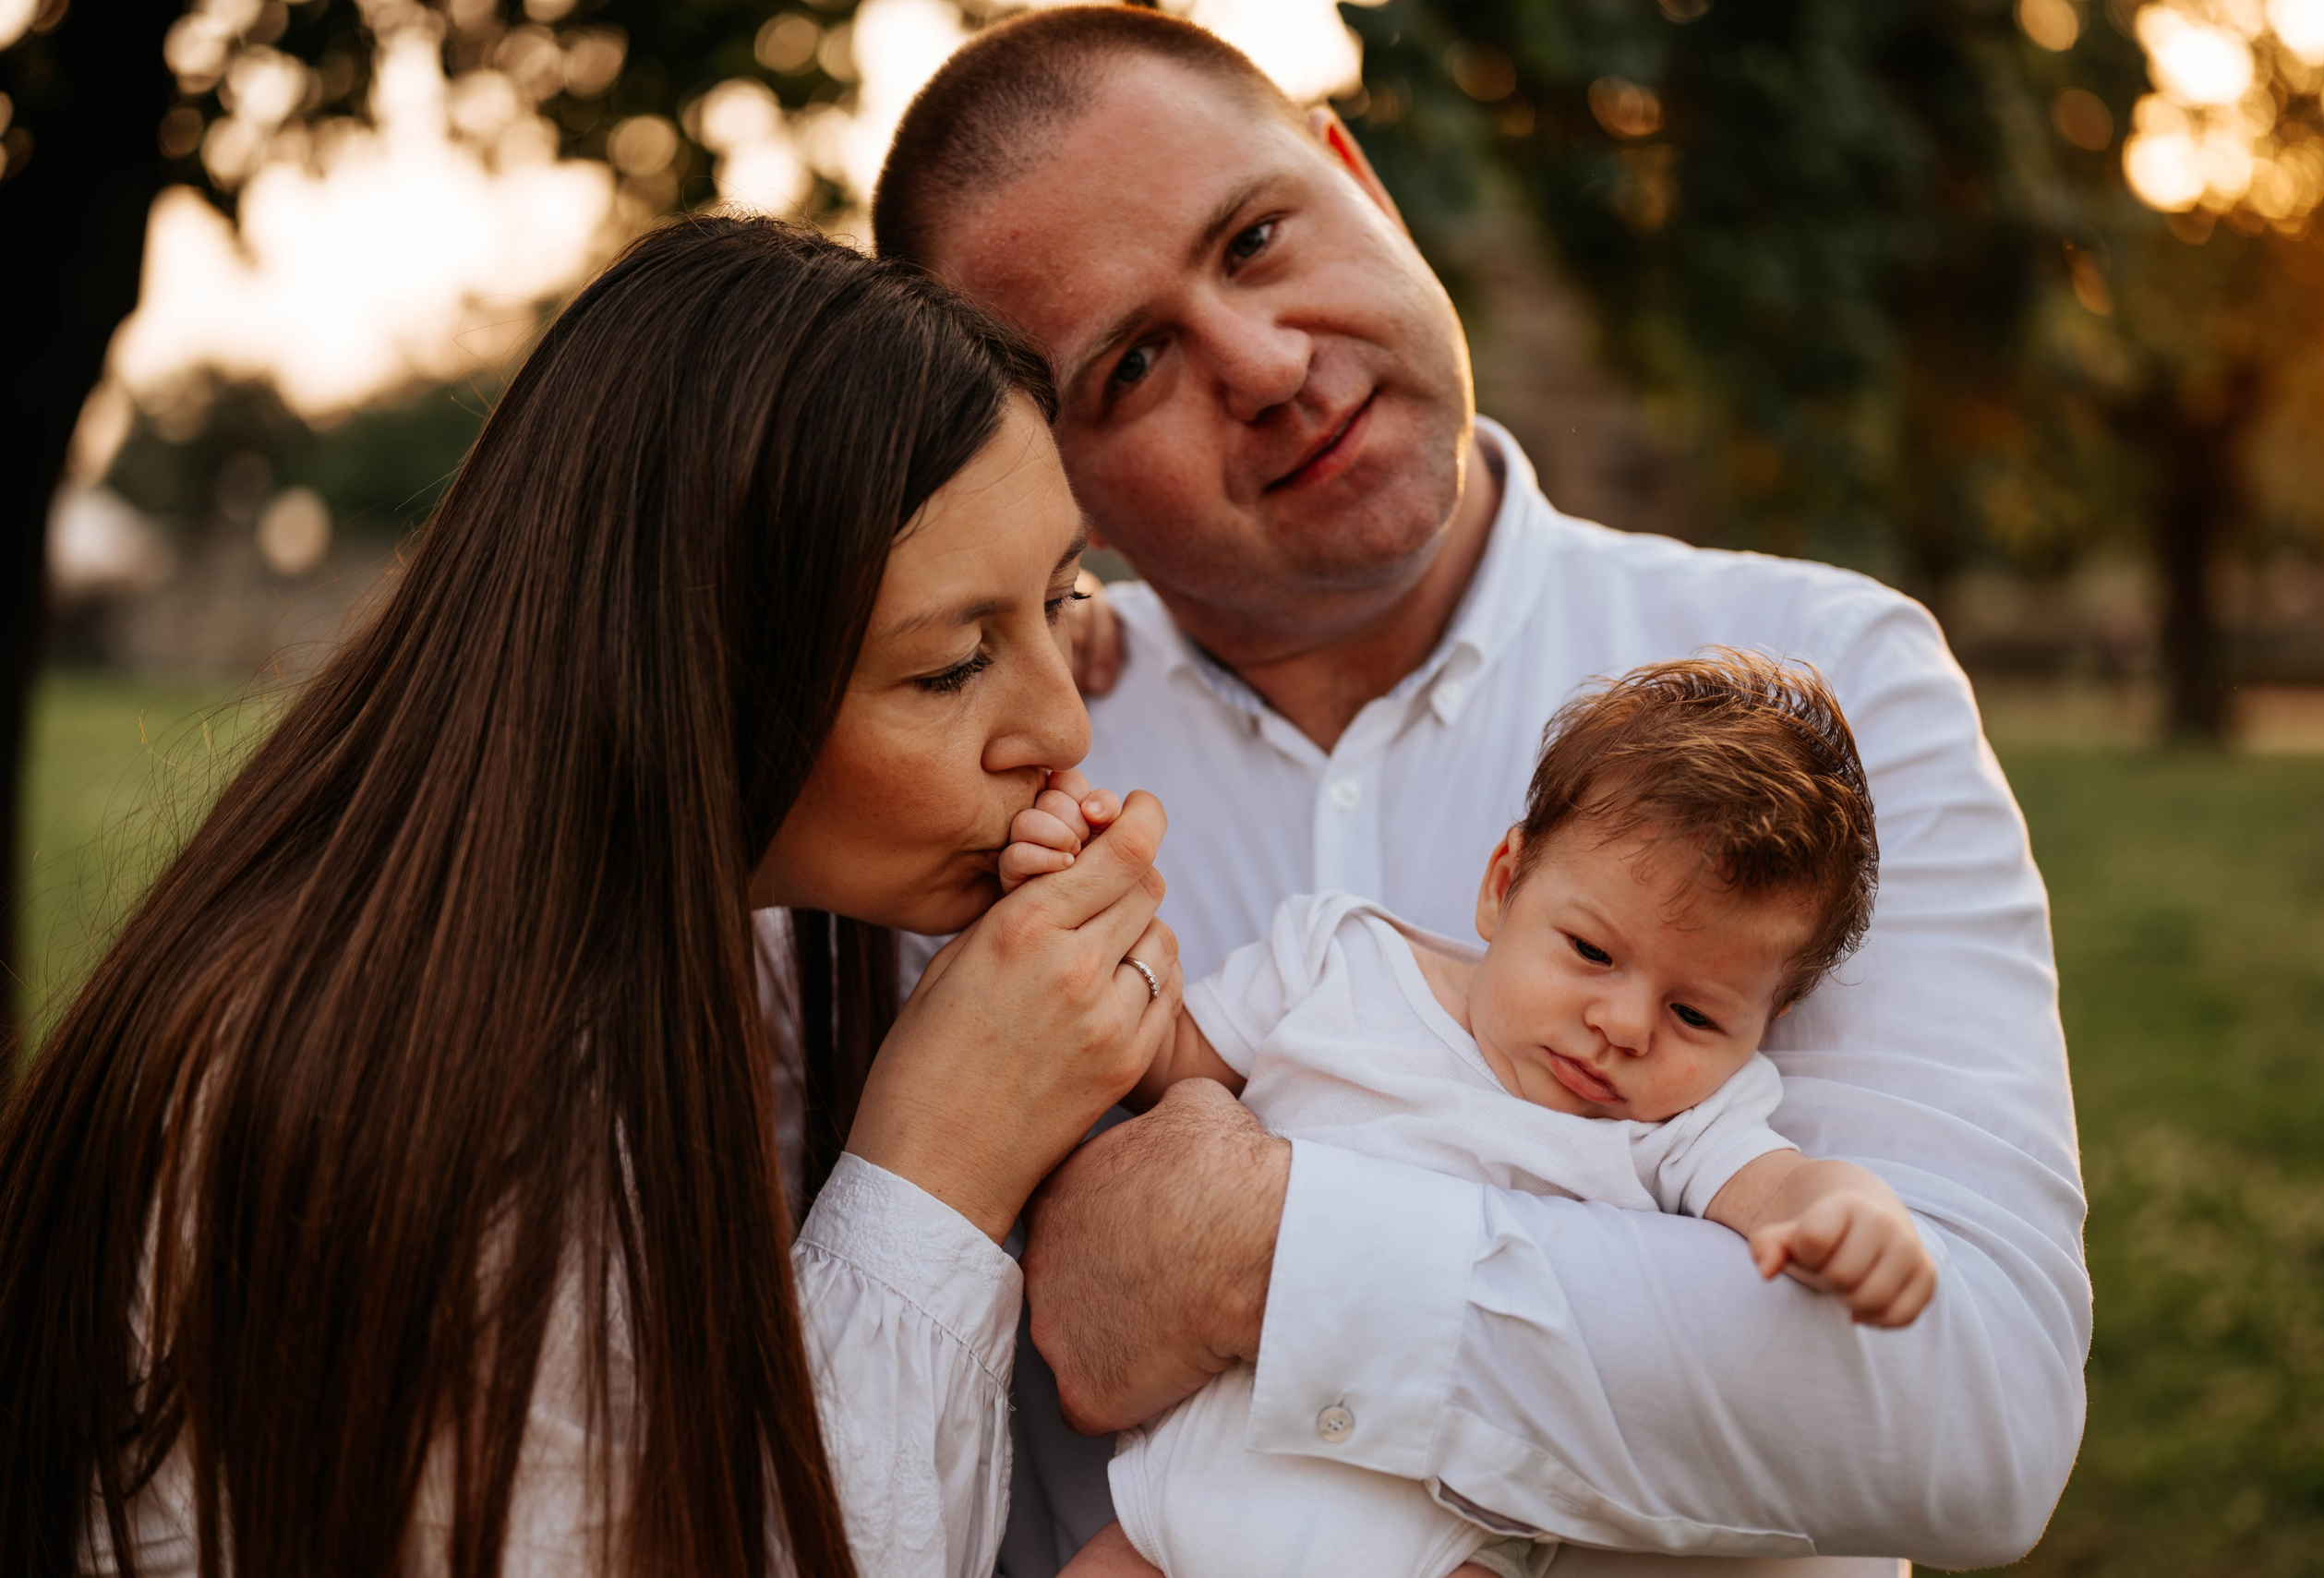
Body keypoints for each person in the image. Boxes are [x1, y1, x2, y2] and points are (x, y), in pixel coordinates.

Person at [870, 8, 2088, 1575]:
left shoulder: (1831, 681)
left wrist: (1258, 1252)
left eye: (1254, 238)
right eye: (1133, 364)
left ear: (1356, 175)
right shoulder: (1001, 775)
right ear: (1052, 469)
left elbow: (1967, 1416)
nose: (1264, 366)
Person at [0, 218, 1180, 1578]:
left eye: (1062, 595)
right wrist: (939, 1174)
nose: (1061, 729)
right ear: (698, 669)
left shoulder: (699, 953)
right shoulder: (410, 1104)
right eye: (951, 665)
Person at [1006, 655, 1935, 1578]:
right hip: (1183, 1497)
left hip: (1445, 1539)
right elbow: (1158, 1054)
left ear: (1763, 1025)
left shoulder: (1683, 1119)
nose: (1622, 1024)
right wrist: (1079, 897)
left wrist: (1847, 1209)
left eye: (1694, 1014)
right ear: (1504, 881)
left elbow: (1772, 1182)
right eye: (1589, 950)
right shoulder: (1342, 962)